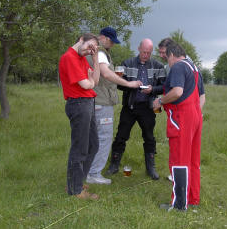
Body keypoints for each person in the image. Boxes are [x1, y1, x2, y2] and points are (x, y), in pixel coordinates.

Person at [152, 43, 205, 211]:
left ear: (173, 54)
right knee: (192, 160)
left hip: (182, 117)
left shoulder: (178, 67)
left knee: (179, 160)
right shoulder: (193, 67)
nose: (167, 61)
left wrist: (160, 101)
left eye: (167, 57)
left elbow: (177, 92)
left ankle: (179, 204)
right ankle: (192, 197)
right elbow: (201, 94)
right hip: (195, 115)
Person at [86, 27, 142, 185]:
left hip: (91, 100)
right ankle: (94, 174)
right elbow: (106, 73)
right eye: (110, 41)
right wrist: (128, 83)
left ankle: (88, 170)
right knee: (104, 137)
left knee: (93, 137)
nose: (112, 44)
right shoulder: (101, 53)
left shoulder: (90, 51)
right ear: (102, 38)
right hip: (101, 102)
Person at [106, 38, 166, 180]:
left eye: (149, 53)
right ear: (139, 48)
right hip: (130, 106)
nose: (146, 55)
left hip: (147, 107)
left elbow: (164, 86)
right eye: (144, 52)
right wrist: (130, 84)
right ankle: (114, 165)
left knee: (149, 137)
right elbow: (117, 83)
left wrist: (152, 90)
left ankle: (151, 168)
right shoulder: (127, 63)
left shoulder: (158, 66)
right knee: (121, 135)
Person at [58, 33, 100, 200]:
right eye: (90, 46)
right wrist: (89, 82)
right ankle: (75, 190)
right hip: (79, 104)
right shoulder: (69, 57)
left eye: (94, 49)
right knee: (80, 148)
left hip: (87, 102)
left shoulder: (82, 58)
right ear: (81, 39)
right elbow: (85, 84)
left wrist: (95, 60)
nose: (90, 50)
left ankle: (77, 182)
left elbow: (94, 81)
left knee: (93, 145)